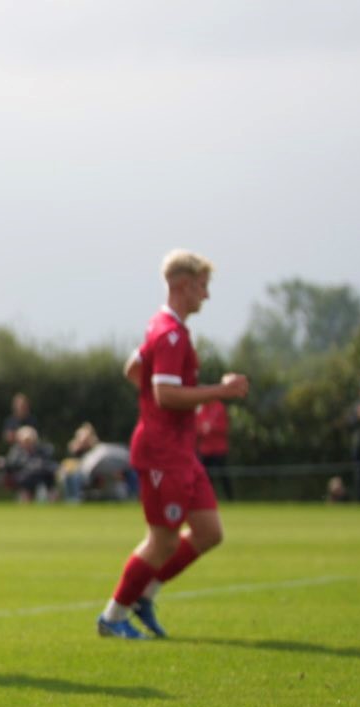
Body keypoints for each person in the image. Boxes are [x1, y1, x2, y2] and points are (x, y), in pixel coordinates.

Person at [97, 249, 250, 639]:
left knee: (208, 532)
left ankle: (144, 595)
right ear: (183, 286)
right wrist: (222, 391)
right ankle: (113, 616)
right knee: (162, 539)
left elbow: (134, 369)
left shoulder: (165, 327)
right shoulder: (169, 333)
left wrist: (159, 403)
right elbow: (165, 395)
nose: (206, 295)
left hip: (180, 450)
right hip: (163, 451)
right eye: (202, 287)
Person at [4, 425, 58, 502]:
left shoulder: (42, 449)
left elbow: (49, 463)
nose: (28, 443)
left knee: (50, 479)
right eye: (25, 440)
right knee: (25, 480)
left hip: (42, 475)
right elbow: (11, 464)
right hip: (25, 477)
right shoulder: (16, 451)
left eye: (30, 440)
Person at [195, 398, 234, 500]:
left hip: (219, 449)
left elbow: (224, 427)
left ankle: (230, 498)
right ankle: (207, 498)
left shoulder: (219, 407)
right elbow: (195, 426)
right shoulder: (200, 407)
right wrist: (202, 429)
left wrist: (212, 428)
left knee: (223, 475)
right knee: (205, 476)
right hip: (205, 450)